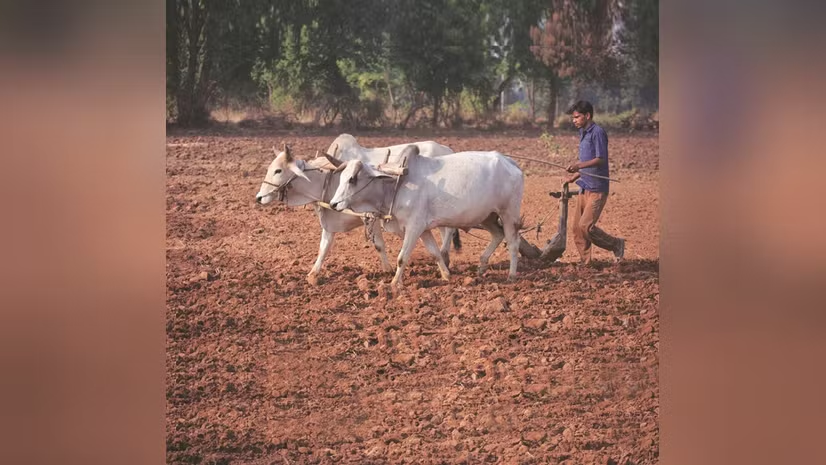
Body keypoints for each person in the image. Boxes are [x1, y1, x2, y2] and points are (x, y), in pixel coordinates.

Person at [563, 100, 625, 264]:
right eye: (573, 117)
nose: (574, 120)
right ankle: (586, 262)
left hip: (597, 188)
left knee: (586, 226)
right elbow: (587, 160)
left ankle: (616, 244)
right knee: (577, 228)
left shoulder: (597, 132)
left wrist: (578, 166)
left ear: (587, 116)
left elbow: (600, 159)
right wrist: (576, 176)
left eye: (577, 117)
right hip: (584, 186)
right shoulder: (583, 132)